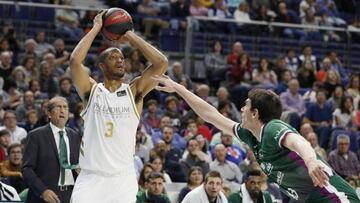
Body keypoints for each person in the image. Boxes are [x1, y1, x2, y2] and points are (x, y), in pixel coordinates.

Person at [152, 74, 359, 202]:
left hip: (335, 198)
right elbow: (210, 115)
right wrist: (179, 89)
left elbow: (298, 141)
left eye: (246, 105)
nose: (241, 109)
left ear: (255, 113)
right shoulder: (249, 134)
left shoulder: (272, 128)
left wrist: (312, 161)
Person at [69, 10, 168, 203]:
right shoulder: (91, 92)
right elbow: (74, 62)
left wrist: (129, 34)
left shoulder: (134, 92)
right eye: (113, 57)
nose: (120, 60)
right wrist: (97, 27)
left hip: (123, 179)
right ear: (102, 67)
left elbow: (161, 62)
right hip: (91, 177)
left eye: (122, 57)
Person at [22, 96, 81, 203]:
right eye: (58, 107)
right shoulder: (35, 135)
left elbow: (77, 164)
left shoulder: (74, 135)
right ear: (49, 113)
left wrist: (80, 170)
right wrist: (42, 191)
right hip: (45, 196)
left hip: (70, 195)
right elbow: (27, 169)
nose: (62, 110)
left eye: (65, 107)